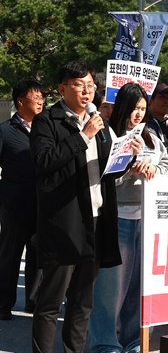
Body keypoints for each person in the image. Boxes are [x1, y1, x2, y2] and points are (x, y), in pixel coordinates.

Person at [30, 61, 140, 352]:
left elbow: (107, 172)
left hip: (97, 221)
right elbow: (45, 163)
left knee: (82, 302)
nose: (86, 91)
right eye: (79, 85)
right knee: (51, 302)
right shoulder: (47, 121)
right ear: (62, 88)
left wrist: (127, 158)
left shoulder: (98, 123)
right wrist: (82, 136)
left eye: (90, 86)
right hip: (65, 223)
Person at [88, 83, 168, 352]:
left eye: (142, 108)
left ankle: (133, 341)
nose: (138, 114)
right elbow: (101, 179)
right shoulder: (108, 135)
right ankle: (104, 343)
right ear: (122, 105)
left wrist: (152, 168)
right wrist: (129, 169)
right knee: (110, 289)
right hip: (117, 217)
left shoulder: (150, 137)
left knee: (138, 288)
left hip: (145, 220)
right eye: (134, 108)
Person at [0, 80, 44, 321]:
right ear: (20, 101)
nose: (40, 100)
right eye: (34, 97)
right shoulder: (5, 130)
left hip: (42, 203)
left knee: (38, 256)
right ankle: (3, 304)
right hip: (14, 204)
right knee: (10, 255)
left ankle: (34, 302)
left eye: (41, 97)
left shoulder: (45, 128)